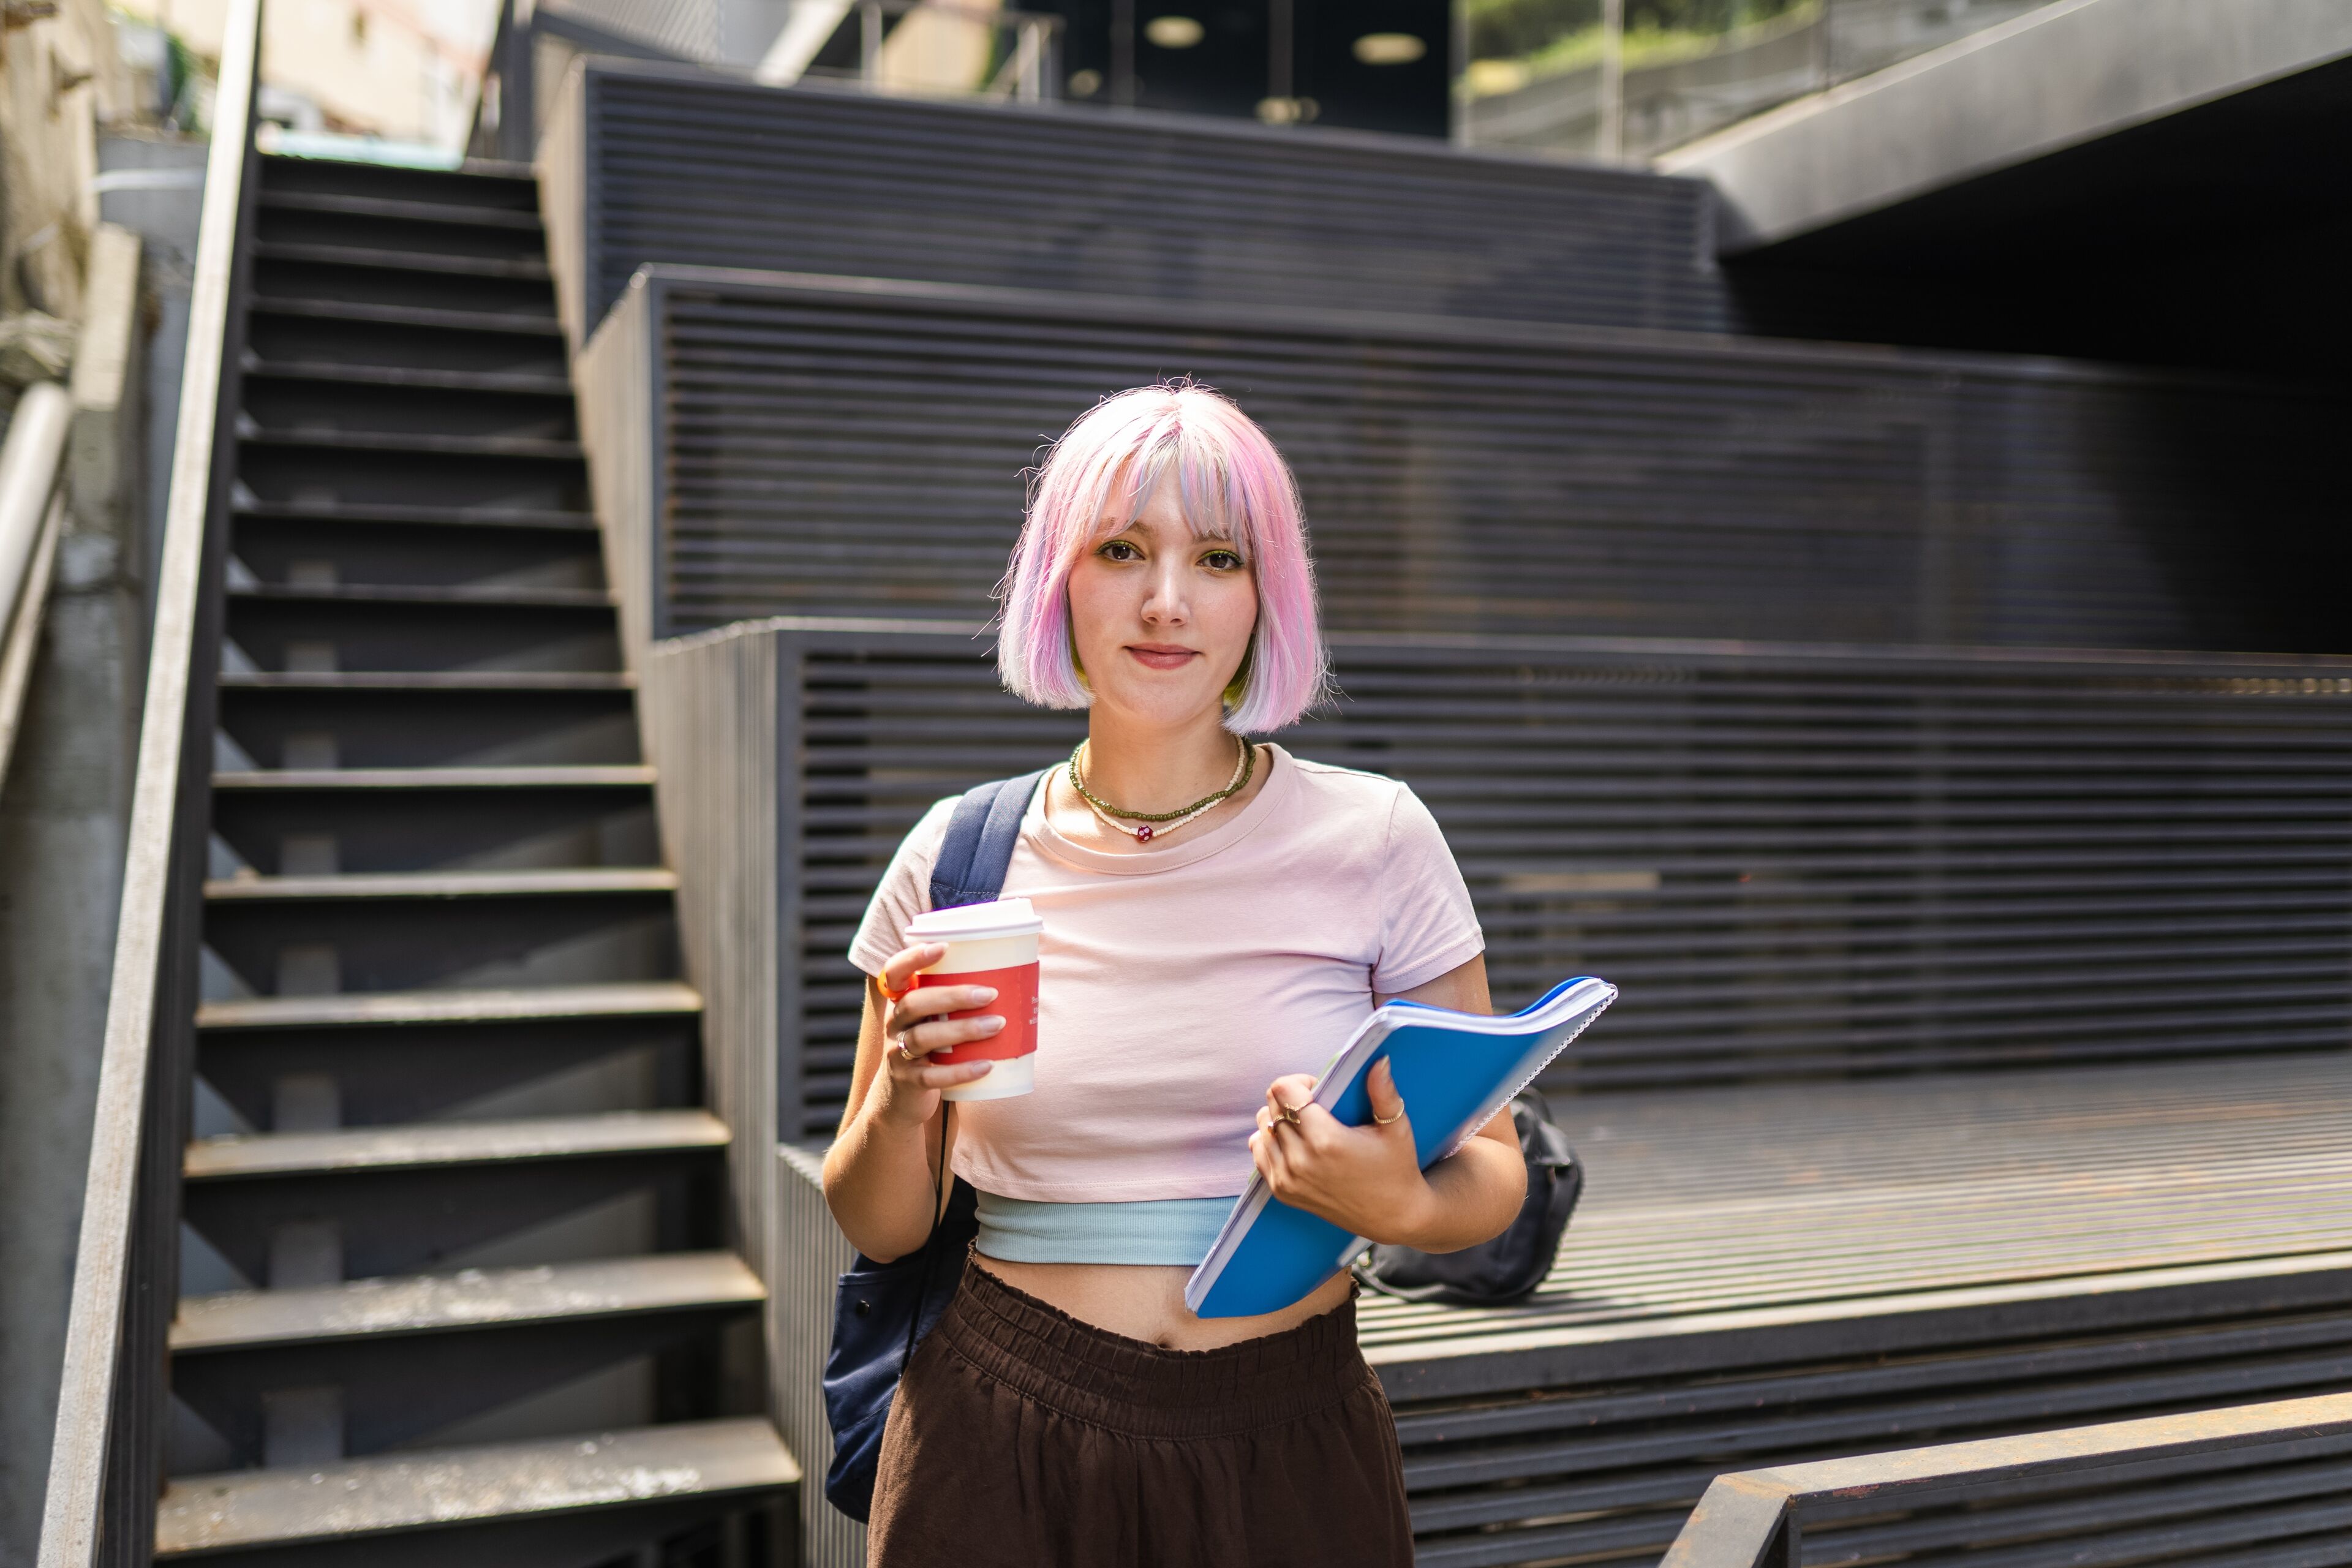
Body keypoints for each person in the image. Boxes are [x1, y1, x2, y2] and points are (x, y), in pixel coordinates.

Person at [823, 382, 1526, 1567]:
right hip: (994, 1435)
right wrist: (906, 1093)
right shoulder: (958, 856)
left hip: (1286, 1440)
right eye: (1121, 550)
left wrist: (1400, 1206)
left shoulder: (1379, 836)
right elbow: (882, 1225)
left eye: (1215, 556)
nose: (1166, 600)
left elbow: (1493, 1172)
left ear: (1266, 596)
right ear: (1061, 579)